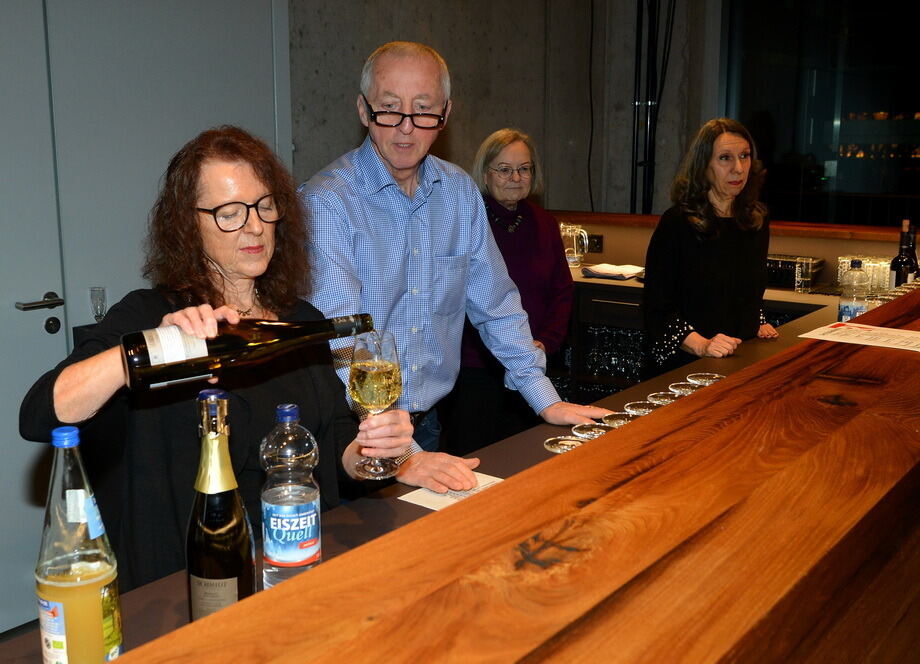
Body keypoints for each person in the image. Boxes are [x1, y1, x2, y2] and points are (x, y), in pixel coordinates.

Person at [19, 126, 435, 591]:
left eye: (263, 206)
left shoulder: (298, 319)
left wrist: (374, 451)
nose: (254, 225)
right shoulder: (150, 316)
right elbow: (39, 413)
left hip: (292, 563)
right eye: (229, 213)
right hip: (188, 583)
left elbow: (338, 449)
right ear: (187, 225)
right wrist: (150, 348)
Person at [299, 41, 608, 463]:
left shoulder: (459, 191)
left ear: (445, 114)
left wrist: (544, 399)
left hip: (427, 423)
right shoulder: (328, 202)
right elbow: (343, 340)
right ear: (362, 110)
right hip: (352, 430)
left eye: (423, 109)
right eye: (389, 107)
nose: (406, 126)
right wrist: (401, 450)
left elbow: (496, 304)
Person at [441, 129, 573, 456]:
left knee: (527, 458)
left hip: (533, 362)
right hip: (475, 369)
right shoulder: (467, 222)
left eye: (524, 168)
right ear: (485, 174)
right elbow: (458, 295)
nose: (515, 177)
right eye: (504, 169)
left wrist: (546, 341)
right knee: (472, 460)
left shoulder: (544, 223)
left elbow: (562, 291)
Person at [643, 117, 779, 372]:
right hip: (687, 364)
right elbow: (657, 309)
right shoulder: (678, 223)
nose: (738, 168)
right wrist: (703, 346)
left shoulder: (755, 220)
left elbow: (744, 288)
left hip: (741, 359)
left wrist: (756, 320)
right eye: (725, 158)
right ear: (703, 165)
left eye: (745, 156)